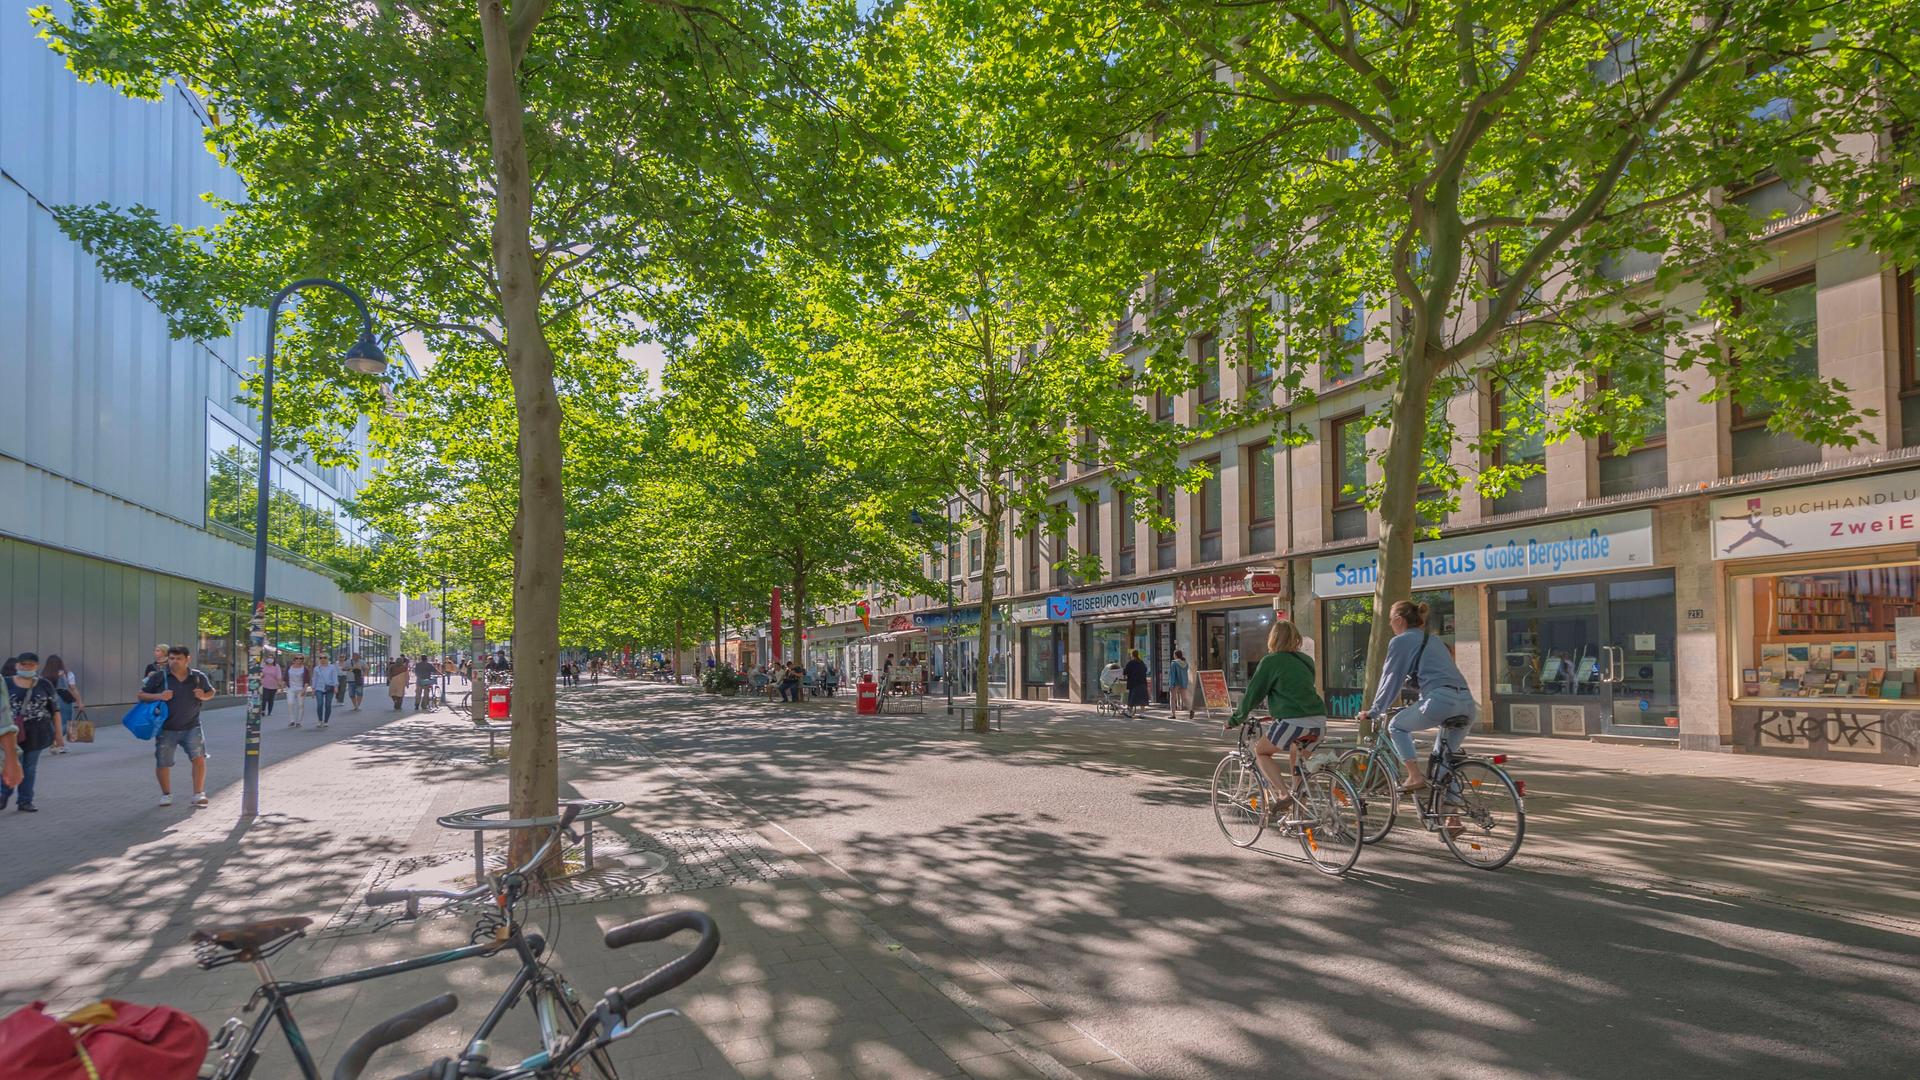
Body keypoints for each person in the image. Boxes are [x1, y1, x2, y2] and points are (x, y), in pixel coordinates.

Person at [1356, 600, 1477, 793]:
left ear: (1398, 619)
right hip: (1467, 703)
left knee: (1396, 726)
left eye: (1390, 620)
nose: (1389, 625)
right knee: (1443, 761)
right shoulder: (1435, 640)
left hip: (1440, 701)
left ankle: (1414, 776)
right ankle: (1452, 816)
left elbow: (1390, 679)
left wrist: (1375, 710)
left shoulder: (1400, 641)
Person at [1227, 621, 1329, 804]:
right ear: (1295, 639)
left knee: (1261, 751)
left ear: (1273, 639)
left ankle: (1283, 795)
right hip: (1319, 722)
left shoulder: (1271, 661)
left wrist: (1236, 719)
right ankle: (1299, 813)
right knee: (1297, 760)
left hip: (1294, 722)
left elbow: (1253, 693)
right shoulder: (1305, 660)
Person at [139, 644, 216, 808]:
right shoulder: (160, 677)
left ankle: (198, 794)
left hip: (192, 726)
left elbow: (211, 692)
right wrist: (159, 695)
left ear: (187, 659)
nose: (174, 662)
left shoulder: (197, 677)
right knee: (163, 762)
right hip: (166, 728)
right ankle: (166, 794)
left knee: (199, 759)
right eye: (172, 658)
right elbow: (141, 695)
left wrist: (204, 696)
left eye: (178, 658)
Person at [3, 653, 64, 812]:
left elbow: (55, 711)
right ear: (17, 665)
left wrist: (58, 735)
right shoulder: (6, 683)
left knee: (29, 767)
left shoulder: (44, 684)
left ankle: (25, 800)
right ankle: (4, 793)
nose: (27, 667)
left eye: (31, 664)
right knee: (8, 763)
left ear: (37, 666)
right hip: (12, 732)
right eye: (23, 664)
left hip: (37, 733)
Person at [44, 654, 84, 752]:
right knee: (66, 723)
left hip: (49, 702)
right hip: (65, 701)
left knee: (53, 723)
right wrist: (80, 702)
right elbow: (73, 689)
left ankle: (56, 744)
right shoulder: (67, 674)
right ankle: (57, 744)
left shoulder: (44, 675)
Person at [312, 654, 340, 728]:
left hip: (329, 687)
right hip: (319, 688)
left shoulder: (332, 667)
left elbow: (334, 677)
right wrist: (313, 689)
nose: (323, 659)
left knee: (328, 705)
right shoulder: (316, 668)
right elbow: (314, 679)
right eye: (321, 658)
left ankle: (326, 721)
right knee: (320, 704)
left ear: (328, 658)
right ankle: (320, 720)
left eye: (325, 657)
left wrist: (336, 687)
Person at [1123, 649, 1150, 719]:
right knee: (1142, 698)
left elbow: (1125, 671)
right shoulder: (1141, 662)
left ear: (1132, 655)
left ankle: (1129, 712)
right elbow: (1145, 670)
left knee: (1132, 698)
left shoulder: (1131, 663)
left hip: (1134, 683)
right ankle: (1142, 713)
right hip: (1143, 683)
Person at [285, 654, 310, 728]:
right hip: (290, 688)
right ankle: (292, 721)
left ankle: (299, 722)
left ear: (302, 660)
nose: (298, 660)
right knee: (290, 703)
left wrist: (304, 689)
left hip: (300, 689)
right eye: (297, 658)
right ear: (294, 659)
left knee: (300, 705)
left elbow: (307, 680)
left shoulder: (304, 669)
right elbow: (285, 677)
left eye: (300, 658)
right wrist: (283, 684)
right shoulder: (289, 668)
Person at [1167, 649, 1193, 719]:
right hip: (1183, 682)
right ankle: (1190, 710)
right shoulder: (1185, 663)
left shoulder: (1174, 663)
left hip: (1175, 683)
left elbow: (1172, 675)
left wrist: (1171, 684)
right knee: (1184, 698)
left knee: (1172, 698)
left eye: (1174, 654)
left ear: (1175, 655)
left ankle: (1173, 714)